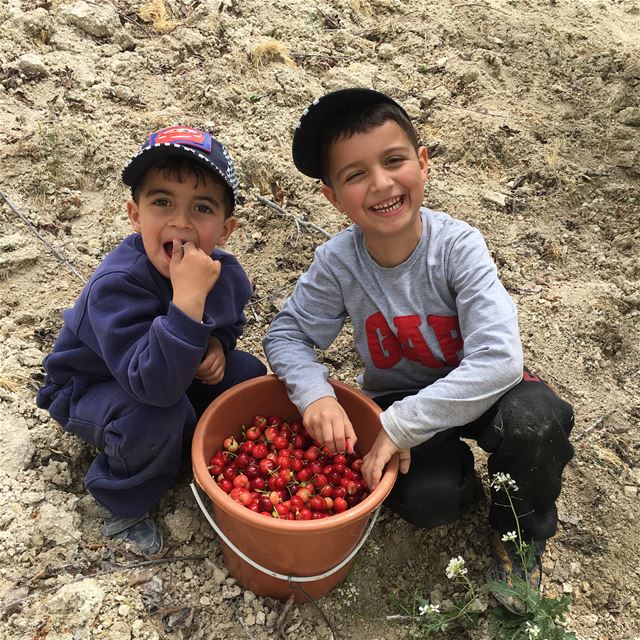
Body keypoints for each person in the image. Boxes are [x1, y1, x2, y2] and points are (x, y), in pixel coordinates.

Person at [262, 88, 574, 612]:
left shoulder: (458, 247)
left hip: (482, 388)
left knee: (535, 421)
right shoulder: (338, 263)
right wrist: (315, 395)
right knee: (429, 500)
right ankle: (459, 480)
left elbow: (499, 359)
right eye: (355, 174)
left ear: (422, 163)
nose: (381, 184)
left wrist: (398, 426)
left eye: (394, 160)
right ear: (332, 197)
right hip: (402, 394)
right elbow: (286, 335)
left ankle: (520, 535)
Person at [36, 126, 267, 556]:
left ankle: (187, 449)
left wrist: (218, 345)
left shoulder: (224, 273)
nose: (180, 221)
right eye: (162, 202)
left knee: (247, 375)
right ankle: (120, 501)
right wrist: (188, 301)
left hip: (166, 372)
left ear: (226, 228)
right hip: (95, 387)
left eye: (201, 208)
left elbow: (228, 322)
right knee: (158, 415)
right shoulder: (117, 285)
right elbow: (152, 386)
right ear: (135, 213)